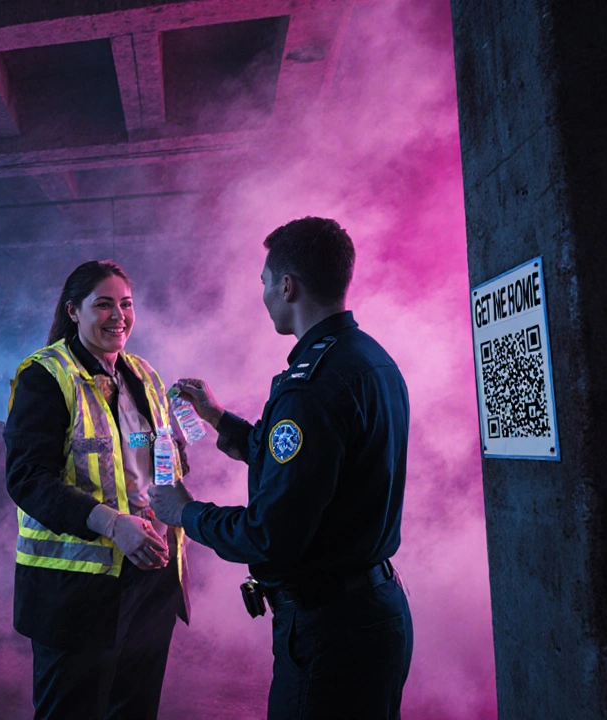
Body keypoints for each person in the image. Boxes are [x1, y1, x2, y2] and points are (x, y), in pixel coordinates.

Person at [150, 217, 414, 720]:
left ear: (287, 285)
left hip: (331, 632)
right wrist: (219, 419)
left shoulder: (309, 387)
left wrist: (186, 512)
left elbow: (270, 535)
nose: (265, 295)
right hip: (374, 612)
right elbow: (315, 468)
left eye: (265, 283)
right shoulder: (368, 359)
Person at [5, 260, 188, 720]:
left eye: (126, 304)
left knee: (135, 710)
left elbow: (165, 462)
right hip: (76, 590)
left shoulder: (145, 374)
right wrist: (112, 524)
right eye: (103, 304)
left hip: (150, 577)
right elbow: (28, 478)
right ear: (73, 311)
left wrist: (177, 456)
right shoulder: (45, 376)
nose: (118, 315)